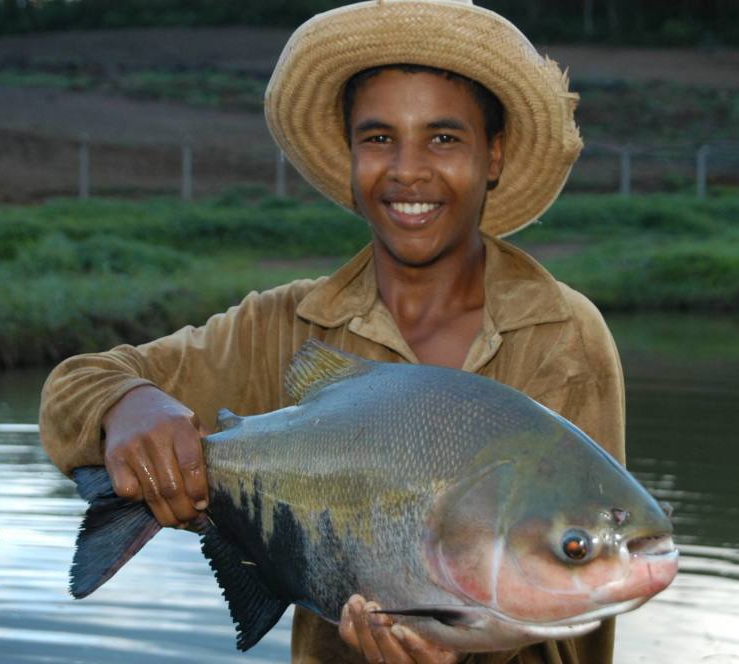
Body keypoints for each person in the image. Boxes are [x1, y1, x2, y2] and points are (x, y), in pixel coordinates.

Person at [39, 1, 626, 662]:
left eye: (443, 137)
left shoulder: (567, 338)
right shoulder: (282, 326)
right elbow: (75, 385)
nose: (408, 169)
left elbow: (582, 625)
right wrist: (129, 404)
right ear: (350, 158)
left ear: (492, 156)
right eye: (378, 138)